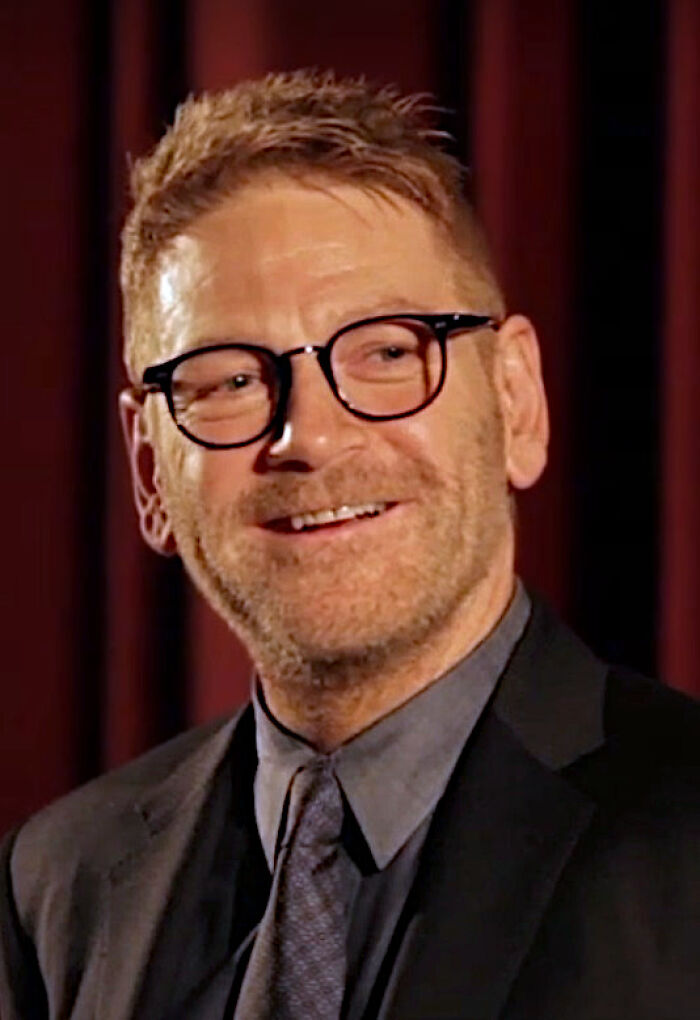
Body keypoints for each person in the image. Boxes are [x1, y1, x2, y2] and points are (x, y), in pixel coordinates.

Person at [1, 69, 698, 1020]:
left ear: (516, 403)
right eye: (228, 380)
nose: (310, 437)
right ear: (151, 473)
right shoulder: (59, 887)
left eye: (385, 351)